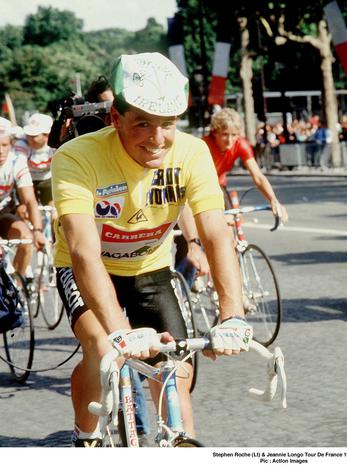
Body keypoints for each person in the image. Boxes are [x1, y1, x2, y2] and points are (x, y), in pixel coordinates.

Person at [51, 52, 251, 447]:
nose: (157, 139)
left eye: (167, 125)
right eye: (143, 123)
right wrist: (121, 333)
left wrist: (233, 315)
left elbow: (215, 232)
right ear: (115, 119)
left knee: (176, 367)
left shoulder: (192, 153)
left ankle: (179, 440)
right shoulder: (76, 157)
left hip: (149, 268)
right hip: (90, 270)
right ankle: (85, 436)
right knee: (101, 348)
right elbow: (83, 252)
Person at [202, 108, 288, 222]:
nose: (230, 140)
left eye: (234, 135)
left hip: (219, 186)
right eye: (224, 134)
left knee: (230, 222)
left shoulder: (241, 144)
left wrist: (274, 200)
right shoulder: (204, 145)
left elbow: (258, 176)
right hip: (200, 186)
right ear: (214, 132)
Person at [0, 117, 46, 277]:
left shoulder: (16, 162)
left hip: (4, 211)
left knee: (26, 239)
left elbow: (29, 199)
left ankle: (16, 286)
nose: (0, 150)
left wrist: (38, 230)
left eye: (4, 145)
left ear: (11, 145)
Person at [13, 113, 55, 206]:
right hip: (27, 179)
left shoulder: (54, 146)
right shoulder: (22, 142)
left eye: (34, 135)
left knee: (52, 207)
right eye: (28, 134)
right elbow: (19, 164)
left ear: (46, 135)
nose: (30, 138)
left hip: (47, 179)